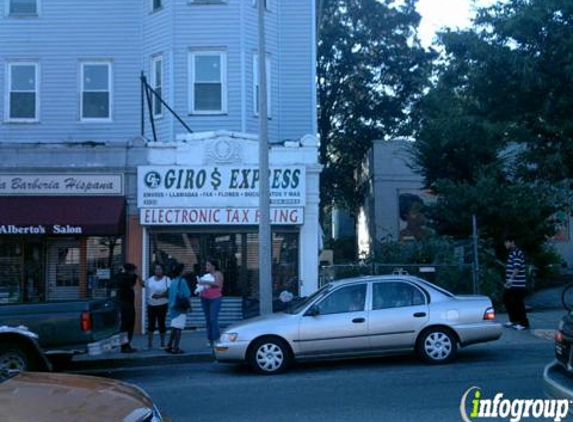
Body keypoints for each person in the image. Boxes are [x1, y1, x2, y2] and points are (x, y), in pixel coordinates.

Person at [502, 235, 530, 330]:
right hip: (513, 284)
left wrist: (511, 279)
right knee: (507, 299)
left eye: (507, 242)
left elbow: (517, 267)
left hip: (518, 284)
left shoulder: (517, 252)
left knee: (518, 303)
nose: (505, 244)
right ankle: (514, 320)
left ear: (512, 242)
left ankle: (524, 323)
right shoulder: (512, 252)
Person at [144, 263, 171, 349]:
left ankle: (162, 343)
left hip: (162, 305)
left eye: (159, 269)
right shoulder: (150, 280)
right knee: (151, 325)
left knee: (161, 324)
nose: (158, 271)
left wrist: (159, 296)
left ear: (163, 270)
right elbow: (143, 285)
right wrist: (138, 276)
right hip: (151, 305)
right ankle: (149, 344)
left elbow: (169, 292)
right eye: (156, 269)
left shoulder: (167, 279)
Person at [198, 258, 224, 349]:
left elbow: (217, 283)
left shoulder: (218, 274)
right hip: (205, 299)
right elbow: (203, 286)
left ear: (213, 266)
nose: (206, 266)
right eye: (206, 265)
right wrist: (200, 291)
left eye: (208, 265)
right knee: (208, 319)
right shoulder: (206, 275)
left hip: (215, 299)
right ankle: (210, 339)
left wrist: (204, 282)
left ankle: (217, 338)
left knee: (213, 318)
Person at [166, 263, 191, 354]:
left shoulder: (172, 281)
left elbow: (169, 294)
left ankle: (169, 345)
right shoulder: (183, 281)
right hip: (180, 308)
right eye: (184, 270)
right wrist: (190, 306)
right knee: (179, 329)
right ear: (180, 271)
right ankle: (175, 347)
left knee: (174, 327)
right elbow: (187, 295)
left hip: (172, 307)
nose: (185, 271)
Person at [117, 263, 138, 353]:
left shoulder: (125, 278)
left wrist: (136, 275)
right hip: (126, 305)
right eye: (133, 270)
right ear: (129, 271)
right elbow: (131, 282)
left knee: (126, 326)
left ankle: (126, 345)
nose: (134, 272)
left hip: (127, 304)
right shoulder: (124, 279)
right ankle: (125, 346)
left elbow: (133, 281)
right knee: (126, 326)